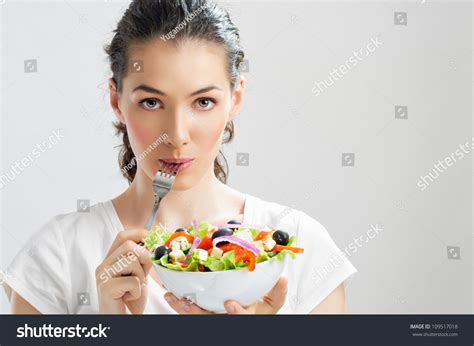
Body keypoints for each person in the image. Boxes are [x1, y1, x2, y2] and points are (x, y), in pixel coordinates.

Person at [2, 0, 357, 314]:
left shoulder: (301, 246)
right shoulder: (56, 256)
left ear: (235, 99)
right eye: (152, 102)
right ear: (116, 101)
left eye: (203, 102)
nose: (177, 135)